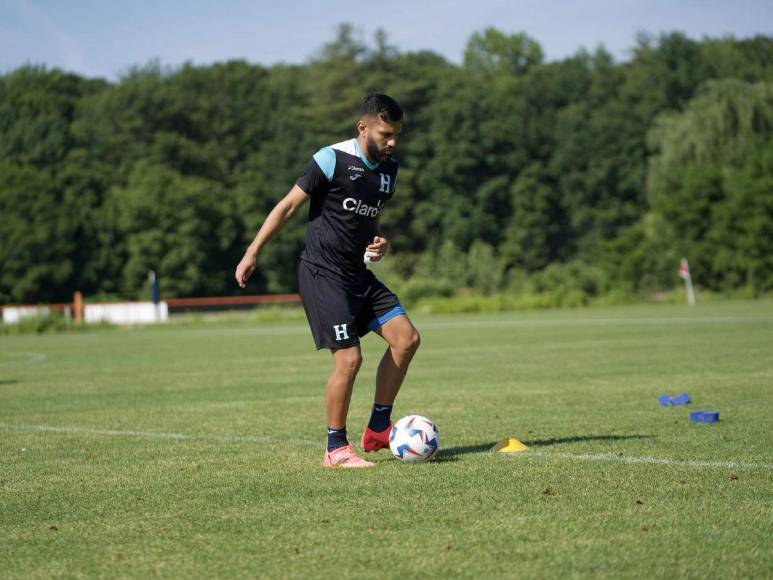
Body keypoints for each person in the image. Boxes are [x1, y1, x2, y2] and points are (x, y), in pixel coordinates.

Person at [235, 93, 420, 468]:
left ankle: (378, 430)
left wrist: (379, 243)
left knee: (406, 338)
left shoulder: (389, 172)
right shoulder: (331, 158)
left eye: (397, 135)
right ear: (362, 127)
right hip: (322, 275)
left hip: (357, 274)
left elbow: (370, 219)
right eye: (386, 134)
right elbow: (288, 205)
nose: (392, 142)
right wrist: (253, 250)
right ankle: (335, 449)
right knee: (349, 359)